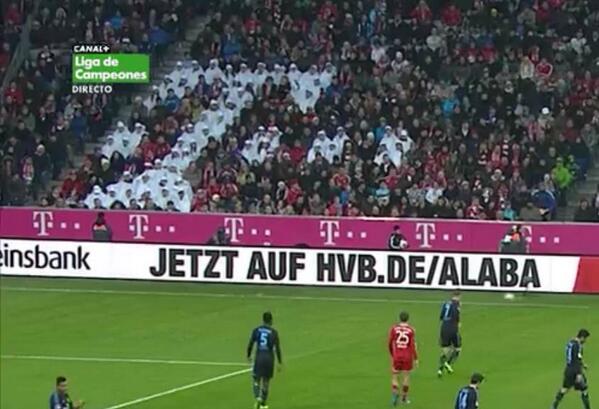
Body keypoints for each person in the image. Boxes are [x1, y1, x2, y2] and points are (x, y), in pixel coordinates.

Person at [247, 312, 283, 409]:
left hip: (259, 357)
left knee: (256, 379)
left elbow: (251, 343)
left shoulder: (256, 330)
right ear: (271, 320)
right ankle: (263, 403)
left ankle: (257, 397)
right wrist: (279, 362)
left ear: (263, 320)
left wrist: (248, 355)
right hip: (269, 358)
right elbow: (277, 348)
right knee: (266, 381)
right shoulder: (274, 332)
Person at [551, 329, 591, 409]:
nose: (585, 341)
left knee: (564, 389)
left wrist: (583, 364)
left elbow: (573, 357)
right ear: (582, 337)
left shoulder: (570, 343)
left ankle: (553, 406)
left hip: (568, 369)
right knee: (584, 389)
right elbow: (576, 359)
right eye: (585, 338)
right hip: (575, 370)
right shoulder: (578, 346)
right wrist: (578, 374)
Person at [388, 311, 418, 405]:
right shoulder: (411, 330)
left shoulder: (394, 329)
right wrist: (416, 358)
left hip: (397, 356)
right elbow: (412, 345)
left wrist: (392, 354)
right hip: (407, 357)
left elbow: (390, 343)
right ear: (408, 319)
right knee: (406, 377)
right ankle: (404, 398)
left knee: (394, 375)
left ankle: (395, 394)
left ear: (399, 318)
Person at [438, 291, 461, 377]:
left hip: (444, 328)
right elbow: (456, 317)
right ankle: (448, 363)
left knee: (445, 350)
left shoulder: (446, 304)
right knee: (457, 348)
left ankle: (440, 370)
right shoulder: (457, 305)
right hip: (453, 329)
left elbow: (441, 317)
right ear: (458, 296)